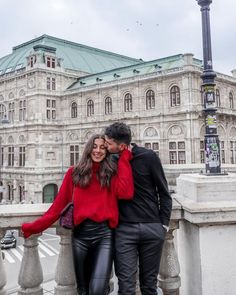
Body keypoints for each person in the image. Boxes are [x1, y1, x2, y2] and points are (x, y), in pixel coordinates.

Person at [21, 134, 134, 295]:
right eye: (94, 146)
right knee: (82, 290)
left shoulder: (110, 174)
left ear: (107, 152)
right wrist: (33, 227)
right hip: (80, 237)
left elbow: (127, 192)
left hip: (105, 236)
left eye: (103, 147)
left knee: (97, 290)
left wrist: (124, 159)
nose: (98, 151)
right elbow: (57, 208)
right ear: (88, 149)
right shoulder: (74, 173)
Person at [104, 122, 172, 295]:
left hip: (152, 228)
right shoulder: (110, 160)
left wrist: (162, 225)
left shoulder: (148, 157)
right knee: (126, 287)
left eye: (109, 143)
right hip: (124, 230)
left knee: (149, 286)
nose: (106, 146)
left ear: (122, 145)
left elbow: (164, 192)